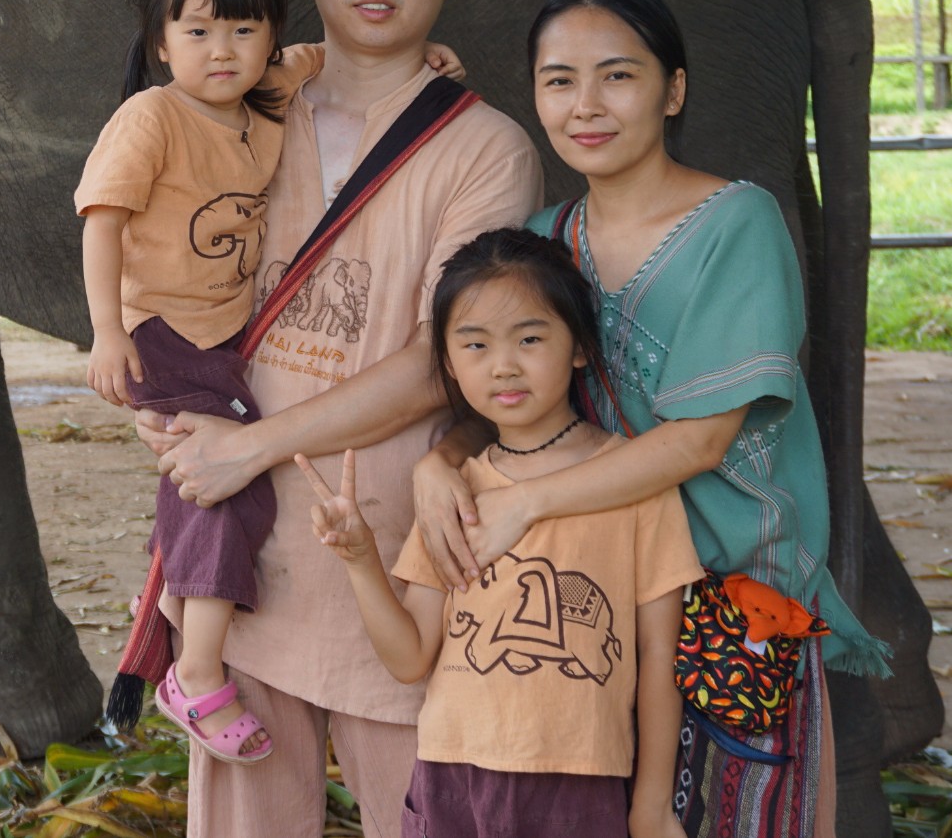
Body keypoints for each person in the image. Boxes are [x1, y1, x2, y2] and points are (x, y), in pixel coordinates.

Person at [409, 0, 888, 838]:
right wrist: (437, 465)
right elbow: (506, 394)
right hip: (591, 606)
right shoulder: (547, 240)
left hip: (729, 607)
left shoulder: (737, 224)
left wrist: (525, 501)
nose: (585, 105)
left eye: (618, 75)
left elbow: (701, 440)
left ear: (673, 90)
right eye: (559, 80)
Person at [132, 0, 543, 836]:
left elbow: (446, 363)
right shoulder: (231, 108)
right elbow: (159, 262)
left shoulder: (487, 150)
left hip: (393, 573)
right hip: (240, 570)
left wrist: (247, 447)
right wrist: (164, 401)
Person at [76, 0, 464, 764]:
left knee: (218, 479)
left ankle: (185, 648)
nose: (224, 50)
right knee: (224, 488)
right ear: (160, 43)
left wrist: (427, 57)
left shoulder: (269, 93)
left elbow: (329, 54)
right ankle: (197, 670)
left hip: (219, 342)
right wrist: (107, 332)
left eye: (244, 30)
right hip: (161, 332)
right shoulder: (153, 117)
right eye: (199, 31)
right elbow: (101, 220)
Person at [299, 226, 700, 838]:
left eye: (531, 338)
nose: (504, 365)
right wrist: (359, 560)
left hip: (581, 779)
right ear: (451, 366)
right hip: (451, 776)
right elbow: (410, 658)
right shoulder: (454, 493)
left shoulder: (634, 482)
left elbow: (657, 657)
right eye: (475, 345)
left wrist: (651, 803)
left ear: (579, 347)